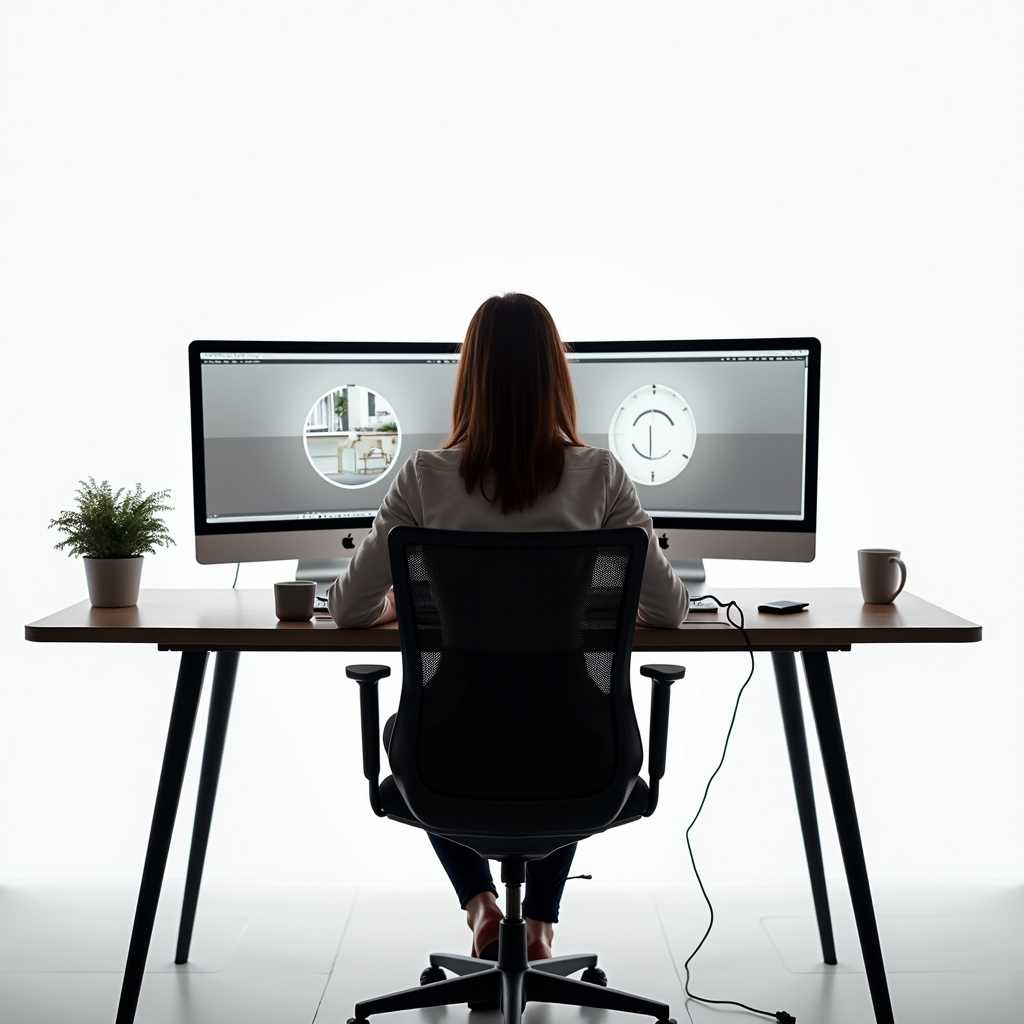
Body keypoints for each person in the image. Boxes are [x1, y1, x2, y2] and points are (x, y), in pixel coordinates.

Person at [328, 293, 687, 963]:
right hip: (583, 760)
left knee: (425, 729)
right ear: (557, 376)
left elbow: (347, 609)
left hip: (451, 761)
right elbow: (669, 612)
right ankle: (542, 924)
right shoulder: (602, 475)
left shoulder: (425, 477)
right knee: (566, 715)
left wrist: (403, 605)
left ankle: (481, 907)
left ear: (470, 379)